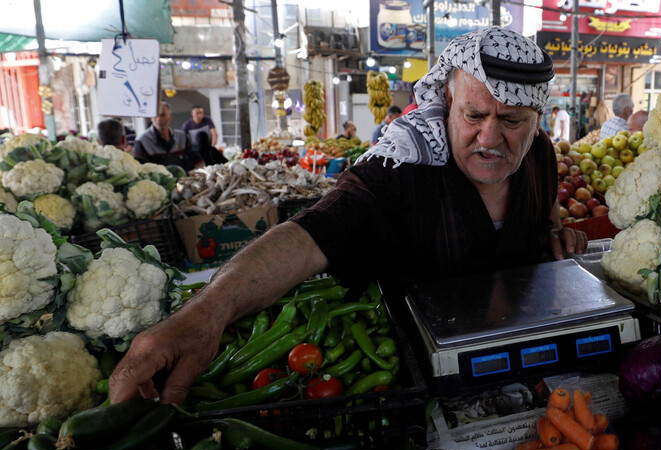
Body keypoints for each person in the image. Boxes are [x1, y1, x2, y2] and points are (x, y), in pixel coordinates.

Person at [109, 26, 588, 406]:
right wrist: (205, 315)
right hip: (420, 384)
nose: (488, 138)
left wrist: (555, 233)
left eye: (510, 122)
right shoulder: (401, 167)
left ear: (537, 120)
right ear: (446, 103)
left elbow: (546, 211)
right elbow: (307, 236)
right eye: (473, 116)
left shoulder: (539, 154)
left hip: (527, 367)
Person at [133, 102, 204, 172]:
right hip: (157, 183)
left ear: (170, 116)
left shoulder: (181, 137)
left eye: (163, 115)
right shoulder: (142, 141)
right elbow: (140, 170)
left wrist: (202, 171)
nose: (158, 119)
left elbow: (197, 159)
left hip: (183, 181)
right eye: (155, 116)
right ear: (151, 118)